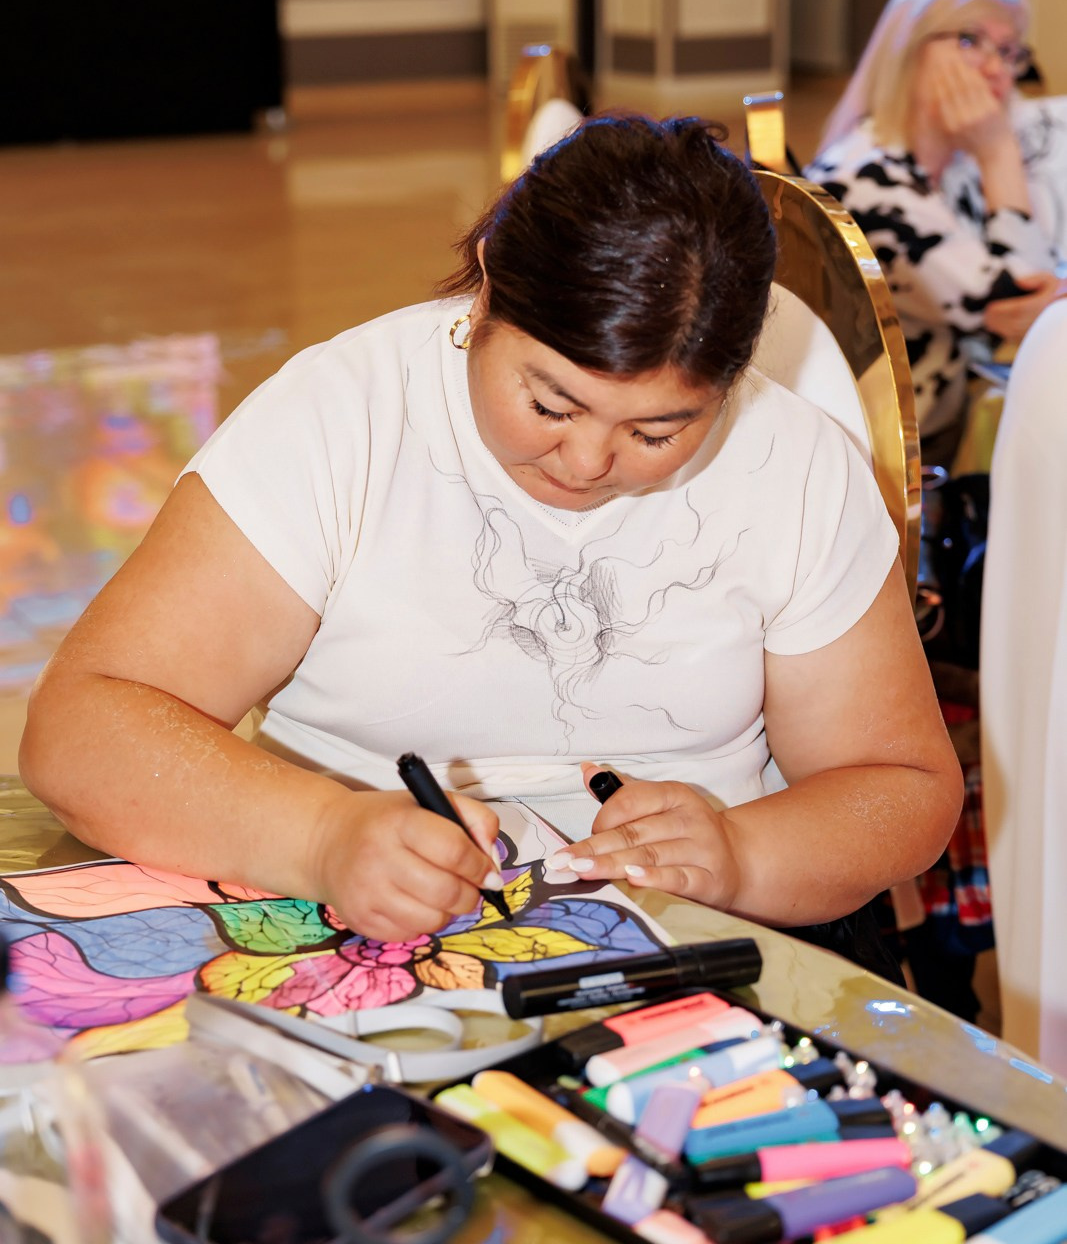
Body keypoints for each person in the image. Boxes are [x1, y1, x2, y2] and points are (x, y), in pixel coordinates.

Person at [18, 116, 962, 953]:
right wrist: (320, 836)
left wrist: (742, 853)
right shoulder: (342, 416)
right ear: (482, 296)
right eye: (550, 403)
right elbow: (82, 730)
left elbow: (899, 784)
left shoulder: (795, 464)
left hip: (686, 939)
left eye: (657, 432)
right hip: (349, 920)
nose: (586, 462)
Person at [807, 0, 1065, 467]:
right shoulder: (864, 183)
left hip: (961, 413)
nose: (996, 69)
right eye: (970, 41)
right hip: (903, 454)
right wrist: (999, 153)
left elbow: (1045, 292)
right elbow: (1026, 307)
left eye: (1009, 51)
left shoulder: (954, 168)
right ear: (907, 48)